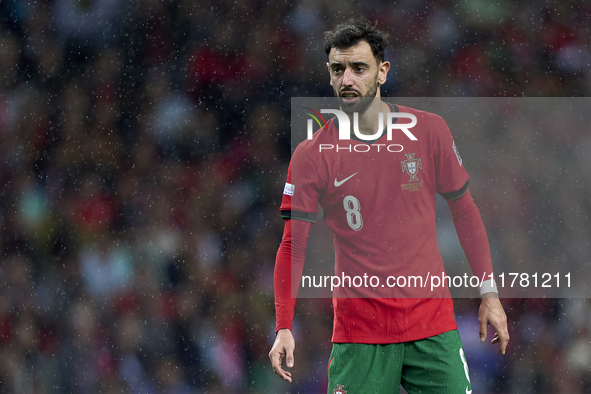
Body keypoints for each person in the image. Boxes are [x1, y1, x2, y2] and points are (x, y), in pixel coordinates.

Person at [269, 17, 509, 393]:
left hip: (432, 327)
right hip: (358, 335)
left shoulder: (429, 131)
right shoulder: (311, 154)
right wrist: (284, 324)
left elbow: (464, 211)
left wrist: (489, 293)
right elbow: (292, 244)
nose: (347, 79)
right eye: (338, 69)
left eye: (358, 68)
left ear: (382, 72)